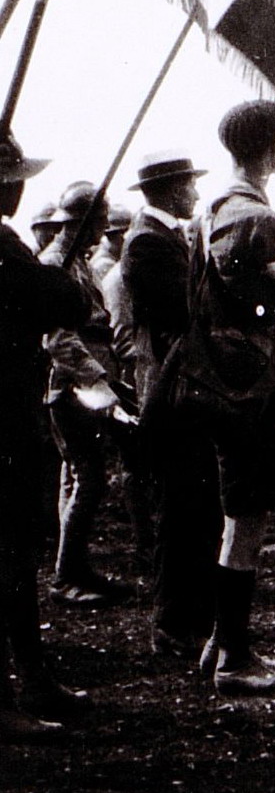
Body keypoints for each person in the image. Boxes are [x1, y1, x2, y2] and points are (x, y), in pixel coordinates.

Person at [182, 101, 275, 695]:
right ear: (271, 150)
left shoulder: (212, 209)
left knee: (236, 515)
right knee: (246, 520)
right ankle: (236, 658)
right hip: (246, 384)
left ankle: (221, 642)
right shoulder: (260, 222)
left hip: (214, 375)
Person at [0, 134, 91, 742]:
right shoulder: (4, 245)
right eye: (13, 176)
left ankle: (32, 678)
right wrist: (54, 264)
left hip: (14, 417)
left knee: (15, 559)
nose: (20, 185)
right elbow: (67, 302)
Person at [120, 150, 219, 660]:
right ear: (170, 190)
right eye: (190, 186)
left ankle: (192, 617)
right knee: (181, 510)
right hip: (170, 391)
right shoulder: (146, 244)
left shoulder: (163, 238)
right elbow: (187, 313)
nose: (196, 195)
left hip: (183, 387)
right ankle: (173, 623)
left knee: (195, 506)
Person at [41, 182, 130, 606]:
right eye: (98, 221)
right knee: (89, 479)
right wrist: (97, 377)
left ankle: (74, 567)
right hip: (71, 385)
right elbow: (59, 337)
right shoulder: (56, 265)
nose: (103, 229)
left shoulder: (76, 261)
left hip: (84, 382)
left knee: (77, 478)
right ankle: (65, 576)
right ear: (81, 222)